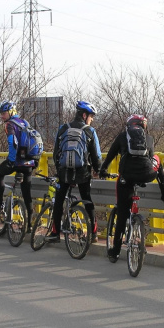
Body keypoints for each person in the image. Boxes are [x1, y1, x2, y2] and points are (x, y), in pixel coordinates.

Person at [99, 114, 164, 262]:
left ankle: (115, 251)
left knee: (122, 213)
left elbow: (110, 156)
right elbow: (150, 159)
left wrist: (103, 170)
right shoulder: (149, 139)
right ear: (143, 126)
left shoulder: (122, 137)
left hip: (126, 178)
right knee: (157, 158)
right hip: (146, 175)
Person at [46, 100, 102, 243]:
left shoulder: (63, 128)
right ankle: (94, 233)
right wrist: (97, 169)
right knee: (87, 201)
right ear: (84, 115)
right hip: (82, 173)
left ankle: (55, 233)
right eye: (91, 116)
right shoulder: (90, 131)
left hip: (64, 173)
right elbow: (96, 156)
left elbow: (55, 153)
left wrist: (60, 169)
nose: (92, 119)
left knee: (59, 201)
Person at [0, 101, 36, 225]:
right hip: (29, 163)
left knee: (0, 174)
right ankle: (30, 224)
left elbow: (12, 142)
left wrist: (11, 161)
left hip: (17, 162)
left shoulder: (9, 125)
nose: (2, 116)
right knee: (26, 193)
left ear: (11, 112)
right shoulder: (25, 122)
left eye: (4, 113)